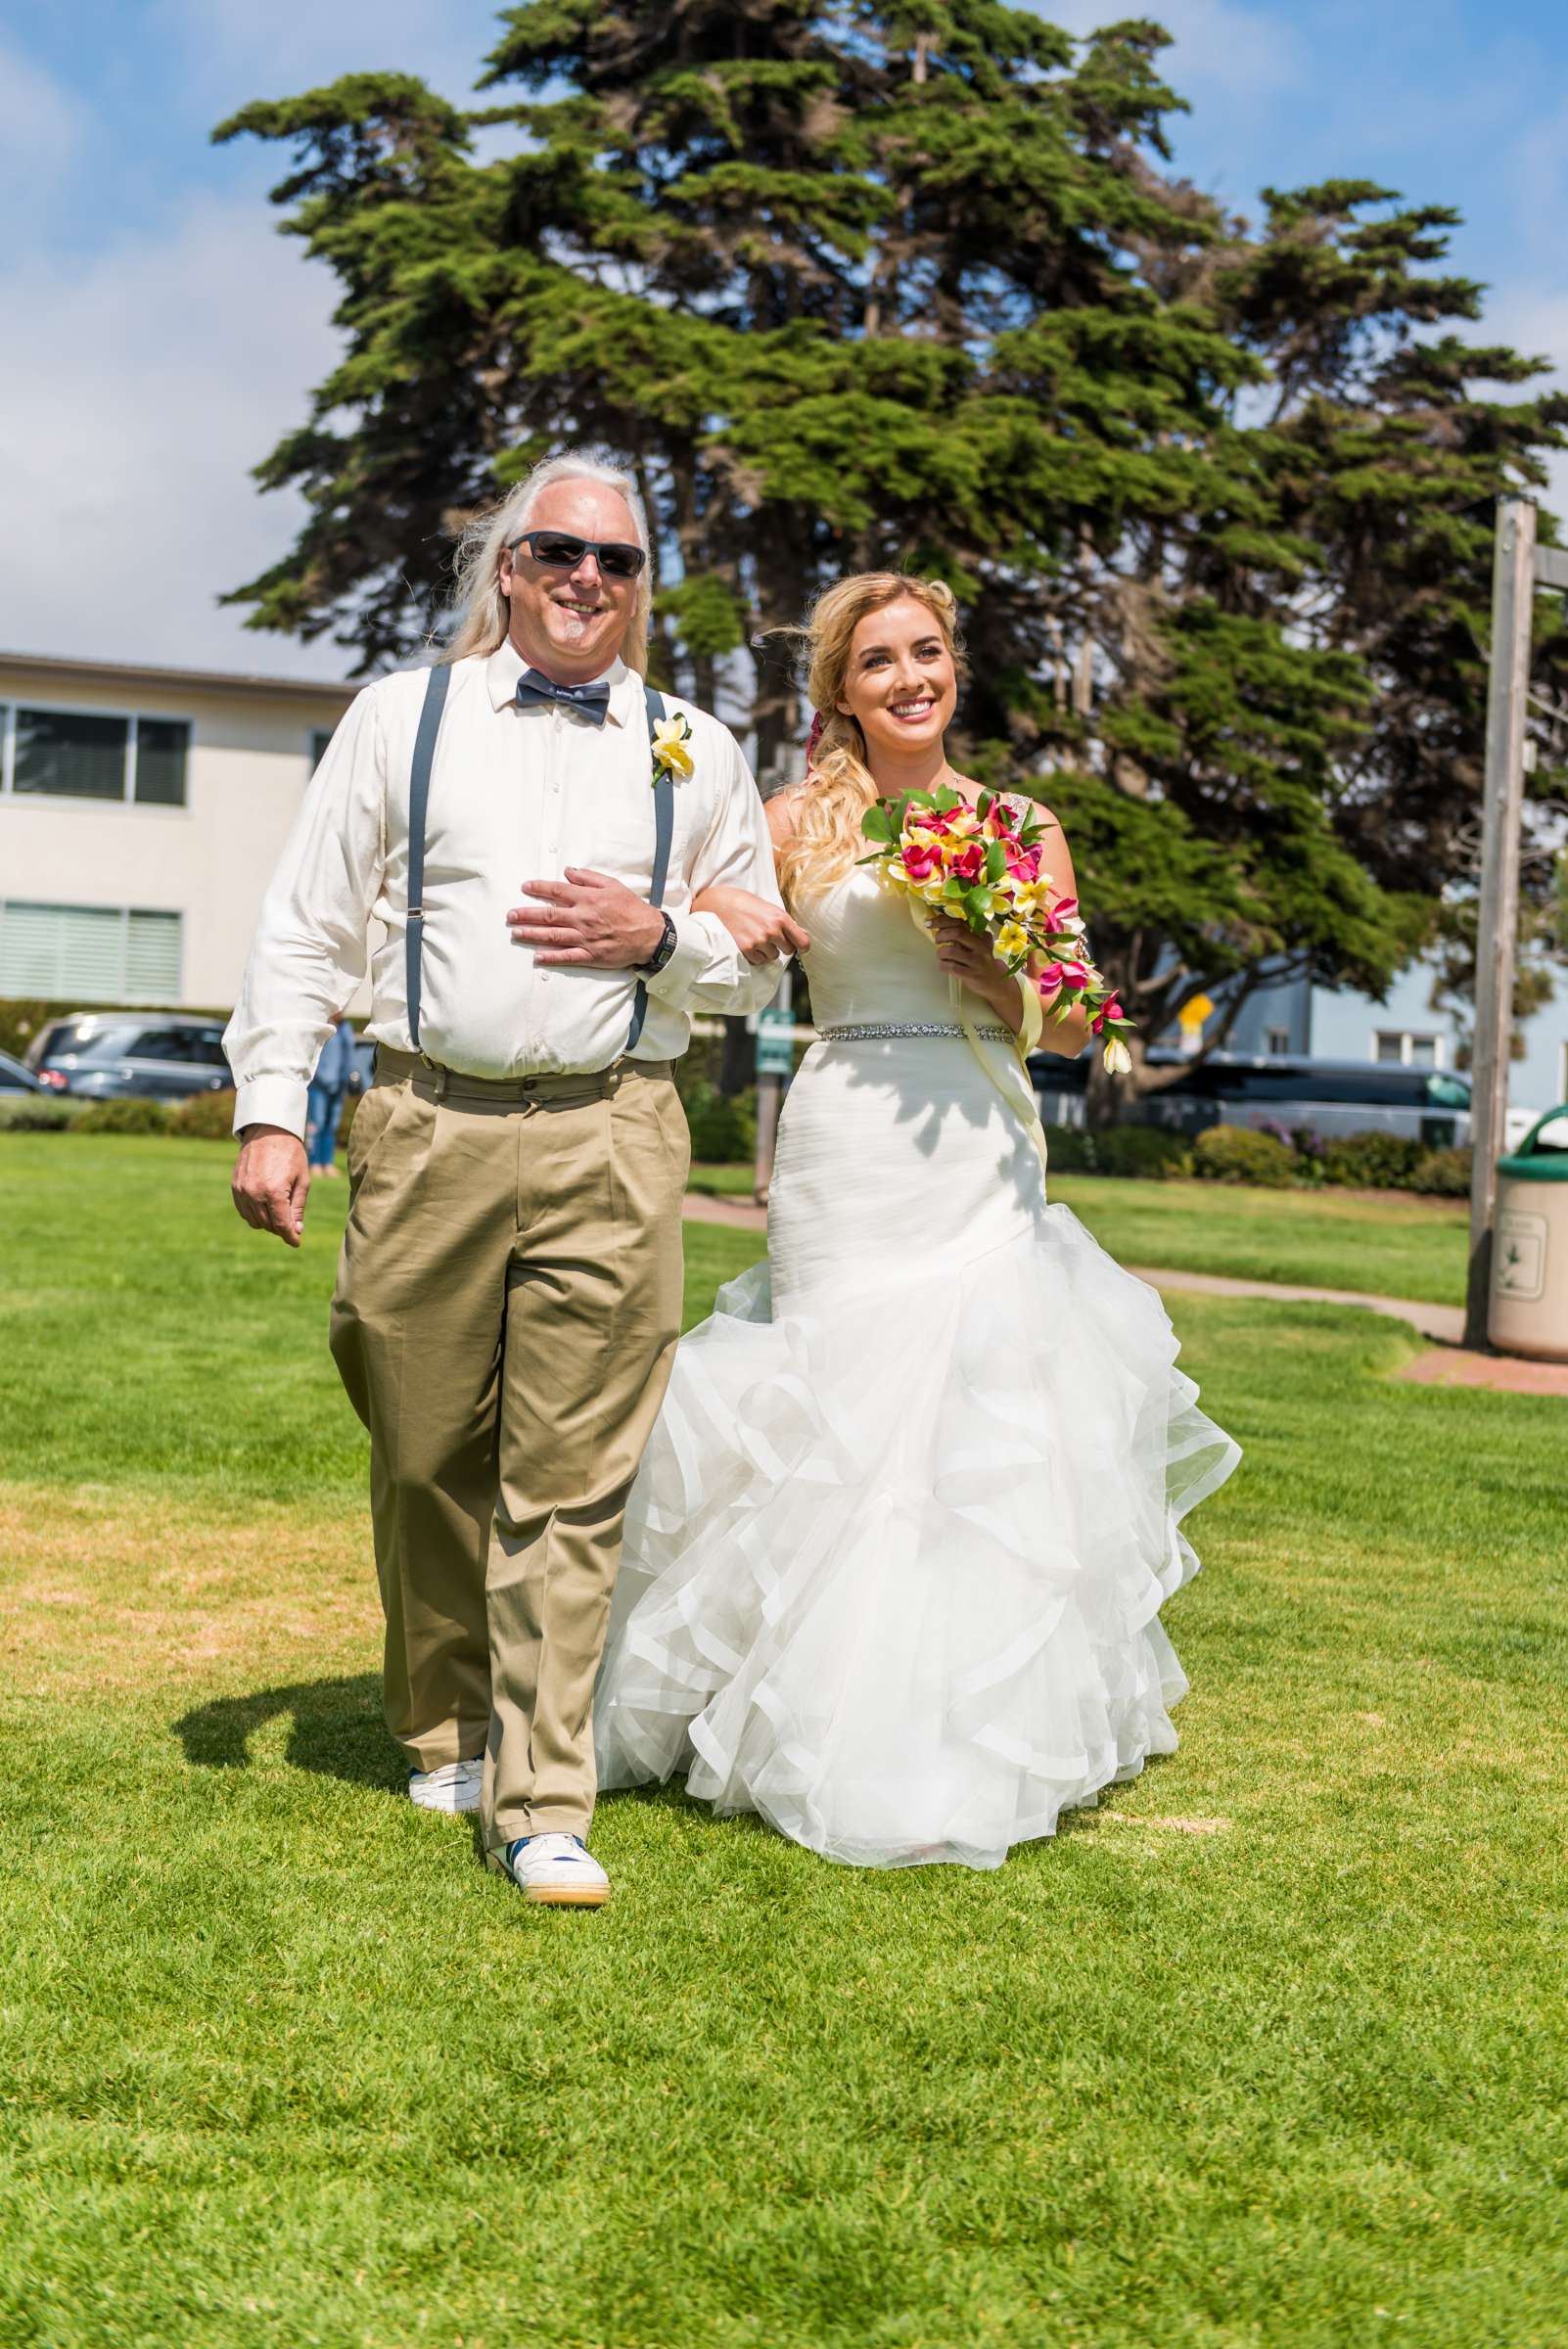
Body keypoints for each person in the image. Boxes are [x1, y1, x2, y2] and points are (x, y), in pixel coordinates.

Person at [225, 449, 807, 1909]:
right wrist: (273, 1108)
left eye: (615, 562)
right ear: (507, 566)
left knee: (570, 1481)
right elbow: (304, 925)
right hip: (425, 1124)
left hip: (616, 1129)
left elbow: (754, 957)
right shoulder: (399, 719)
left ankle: (542, 1794)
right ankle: (442, 1720)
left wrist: (662, 936)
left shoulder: (696, 744)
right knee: (422, 1451)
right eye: (559, 552)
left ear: (638, 586)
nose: (586, 582)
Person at [595, 574, 1241, 1871]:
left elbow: (1072, 1023)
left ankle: (942, 1738)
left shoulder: (1020, 824)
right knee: (836, 1415)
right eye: (878, 660)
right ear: (839, 687)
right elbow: (709, 929)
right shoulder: (791, 820)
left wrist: (996, 969)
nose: (908, 677)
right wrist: (717, 911)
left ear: (955, 668)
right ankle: (773, 1707)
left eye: (927, 652)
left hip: (976, 1138)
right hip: (846, 1140)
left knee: (973, 1422)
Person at [304, 1013, 357, 1177]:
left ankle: (327, 1163)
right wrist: (321, 1077)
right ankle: (314, 1163)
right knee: (316, 1125)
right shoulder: (321, 1025)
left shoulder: (346, 1028)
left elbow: (349, 1056)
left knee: (331, 1126)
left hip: (339, 1085)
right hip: (319, 1085)